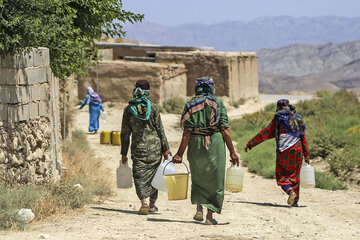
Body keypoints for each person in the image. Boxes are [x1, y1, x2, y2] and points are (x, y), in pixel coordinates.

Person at [172, 77, 239, 225]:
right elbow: (224, 129)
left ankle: (199, 209)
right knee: (215, 180)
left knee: (198, 177)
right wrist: (233, 152)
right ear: (211, 88)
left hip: (195, 144)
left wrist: (179, 154)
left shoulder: (190, 104)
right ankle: (209, 217)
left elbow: (186, 133)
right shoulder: (217, 103)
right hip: (214, 143)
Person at [244, 99, 310, 207]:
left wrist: (251, 144)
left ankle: (290, 191)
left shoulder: (279, 118)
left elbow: (265, 132)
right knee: (295, 175)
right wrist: (306, 155)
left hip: (284, 151)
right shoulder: (298, 118)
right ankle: (295, 200)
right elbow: (303, 138)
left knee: (281, 174)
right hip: (298, 149)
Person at [121, 80, 172, 215]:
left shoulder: (129, 110)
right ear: (148, 92)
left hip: (139, 148)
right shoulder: (153, 108)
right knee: (154, 176)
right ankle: (152, 204)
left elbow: (125, 133)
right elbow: (160, 129)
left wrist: (123, 153)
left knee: (139, 176)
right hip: (155, 149)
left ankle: (143, 201)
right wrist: (166, 149)